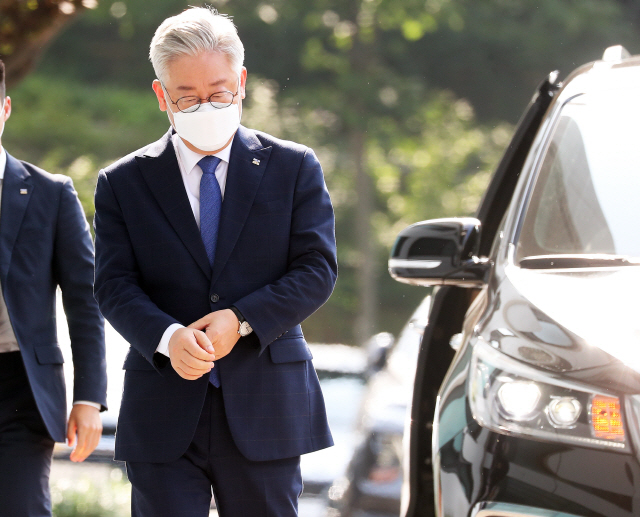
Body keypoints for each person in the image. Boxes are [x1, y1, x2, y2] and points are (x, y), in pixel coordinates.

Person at [93, 7, 337, 517]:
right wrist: (167, 337)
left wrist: (243, 319)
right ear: (162, 96)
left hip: (266, 405)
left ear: (242, 82)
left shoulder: (293, 167)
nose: (207, 106)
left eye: (220, 92)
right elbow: (114, 285)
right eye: (188, 97)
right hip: (163, 407)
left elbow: (316, 268)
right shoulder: (123, 182)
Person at [0, 59, 107, 517]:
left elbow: (85, 301)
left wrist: (88, 398)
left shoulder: (50, 194)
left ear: (5, 109)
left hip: (22, 390)